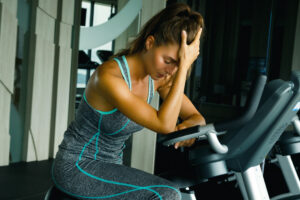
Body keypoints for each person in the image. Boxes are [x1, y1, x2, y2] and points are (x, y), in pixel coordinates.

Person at [52, 3, 205, 200]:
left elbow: (197, 118)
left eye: (178, 63)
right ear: (150, 43)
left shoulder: (157, 79)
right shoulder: (108, 78)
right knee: (167, 194)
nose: (172, 70)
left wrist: (189, 126)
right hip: (77, 166)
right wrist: (184, 67)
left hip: (111, 167)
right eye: (168, 61)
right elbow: (165, 124)